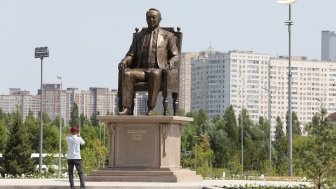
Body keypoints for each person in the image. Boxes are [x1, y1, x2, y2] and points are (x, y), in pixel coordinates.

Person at [118, 8, 180, 115]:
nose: (151, 20)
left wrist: (171, 62)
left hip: (159, 69)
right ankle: (127, 108)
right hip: (141, 70)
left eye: (153, 17)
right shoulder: (139, 36)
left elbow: (176, 55)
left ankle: (151, 108)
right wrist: (124, 61)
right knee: (127, 73)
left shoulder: (168, 36)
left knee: (154, 73)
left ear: (160, 19)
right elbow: (131, 54)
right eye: (148, 17)